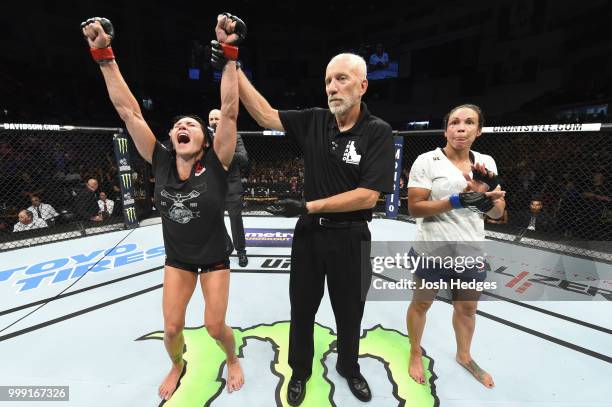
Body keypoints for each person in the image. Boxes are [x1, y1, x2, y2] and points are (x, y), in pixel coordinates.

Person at [81, 12, 246, 400]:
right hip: (179, 260)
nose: (184, 126)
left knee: (214, 326)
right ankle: (177, 363)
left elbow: (231, 109)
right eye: (178, 125)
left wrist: (230, 54)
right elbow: (128, 111)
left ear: (205, 140)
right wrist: (104, 55)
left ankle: (233, 358)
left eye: (193, 125)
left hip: (214, 258)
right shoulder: (159, 160)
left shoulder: (217, 164)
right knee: (172, 330)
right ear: (172, 137)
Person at [238, 52, 394, 405]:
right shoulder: (313, 120)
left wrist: (309, 206)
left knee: (351, 310)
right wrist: (233, 64)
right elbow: (263, 113)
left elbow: (368, 197)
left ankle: (350, 368)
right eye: (328, 81)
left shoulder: (377, 131)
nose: (332, 88)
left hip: (351, 236)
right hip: (309, 236)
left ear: (363, 86)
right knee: (302, 308)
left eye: (342, 79)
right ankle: (300, 370)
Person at [406, 104, 506, 389]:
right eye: (454, 122)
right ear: (446, 128)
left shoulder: (486, 162)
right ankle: (415, 352)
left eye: (469, 122)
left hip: (471, 253)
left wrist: (487, 199)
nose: (460, 128)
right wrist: (456, 200)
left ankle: (464, 355)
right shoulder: (427, 161)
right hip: (431, 251)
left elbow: (498, 214)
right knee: (421, 304)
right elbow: (415, 208)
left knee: (467, 309)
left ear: (479, 130)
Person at [209, 108, 249, 267]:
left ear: (223, 120)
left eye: (216, 119)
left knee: (235, 218)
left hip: (231, 183)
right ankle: (227, 245)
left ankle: (241, 252)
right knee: (213, 219)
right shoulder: (204, 138)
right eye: (211, 119)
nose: (213, 122)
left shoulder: (235, 136)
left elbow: (244, 158)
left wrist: (224, 151)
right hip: (212, 183)